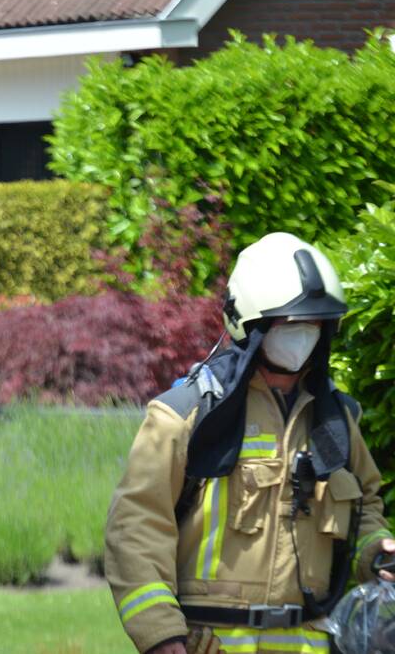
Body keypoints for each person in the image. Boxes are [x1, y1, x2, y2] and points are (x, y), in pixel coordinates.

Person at [104, 232, 394, 654]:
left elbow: (364, 507)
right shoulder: (188, 414)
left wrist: (377, 550)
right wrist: (160, 633)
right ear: (250, 324)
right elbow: (136, 526)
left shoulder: (335, 419)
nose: (303, 337)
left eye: (314, 324)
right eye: (288, 325)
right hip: (212, 643)